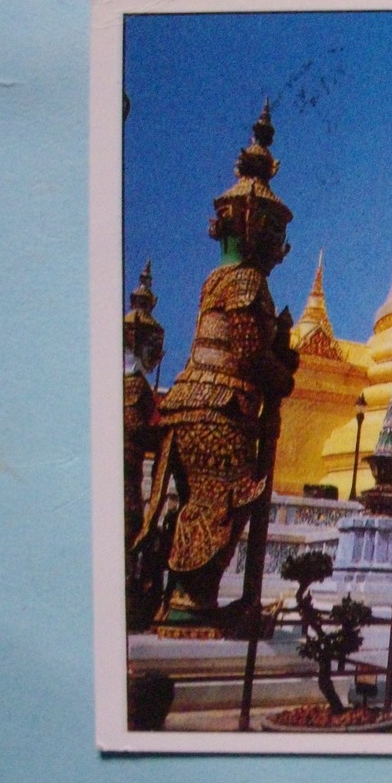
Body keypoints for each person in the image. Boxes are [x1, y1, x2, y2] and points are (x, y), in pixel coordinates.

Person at [137, 105, 298, 627]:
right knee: (220, 506)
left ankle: (185, 601)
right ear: (255, 229)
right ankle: (189, 606)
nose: (279, 247)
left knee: (198, 506)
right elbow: (250, 352)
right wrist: (282, 374)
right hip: (221, 409)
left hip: (189, 408)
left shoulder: (214, 279)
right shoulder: (249, 282)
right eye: (273, 235)